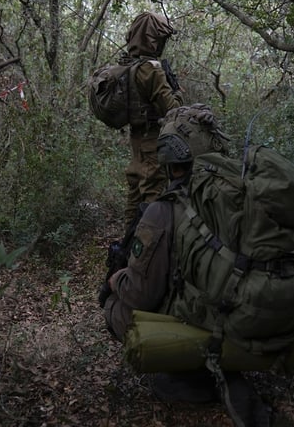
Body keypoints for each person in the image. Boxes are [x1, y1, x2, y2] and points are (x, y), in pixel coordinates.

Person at [103, 104, 271, 427]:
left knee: (115, 306)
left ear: (169, 161)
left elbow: (140, 295)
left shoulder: (163, 211)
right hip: (250, 320)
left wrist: (114, 282)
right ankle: (224, 373)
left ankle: (183, 377)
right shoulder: (242, 197)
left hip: (206, 325)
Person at [121, 12, 184, 232]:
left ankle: (126, 250)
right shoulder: (151, 70)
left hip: (136, 142)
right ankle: (144, 258)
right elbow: (173, 110)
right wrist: (177, 91)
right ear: (153, 39)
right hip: (152, 145)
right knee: (153, 202)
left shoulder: (127, 66)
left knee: (134, 200)